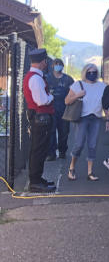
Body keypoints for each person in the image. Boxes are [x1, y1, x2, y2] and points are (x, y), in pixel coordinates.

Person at [65, 63, 107, 181]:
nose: (92, 74)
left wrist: (108, 119)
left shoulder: (102, 86)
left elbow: (105, 104)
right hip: (82, 118)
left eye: (94, 72)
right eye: (90, 72)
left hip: (96, 118)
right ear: (85, 72)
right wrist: (78, 95)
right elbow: (67, 101)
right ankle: (72, 168)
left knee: (92, 145)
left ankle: (90, 172)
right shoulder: (78, 85)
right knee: (79, 144)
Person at [23, 48, 56, 192]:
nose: (46, 63)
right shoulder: (36, 78)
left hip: (39, 117)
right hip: (40, 117)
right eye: (46, 61)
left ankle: (37, 179)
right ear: (43, 62)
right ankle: (35, 181)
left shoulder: (34, 76)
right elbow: (41, 100)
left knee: (40, 149)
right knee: (38, 150)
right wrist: (51, 97)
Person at [46, 57, 74, 160]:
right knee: (51, 131)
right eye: (56, 64)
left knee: (64, 132)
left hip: (65, 109)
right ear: (52, 65)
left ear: (62, 66)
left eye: (60, 64)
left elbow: (74, 92)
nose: (58, 66)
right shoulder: (47, 78)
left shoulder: (68, 79)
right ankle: (51, 153)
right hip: (51, 109)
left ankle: (62, 151)